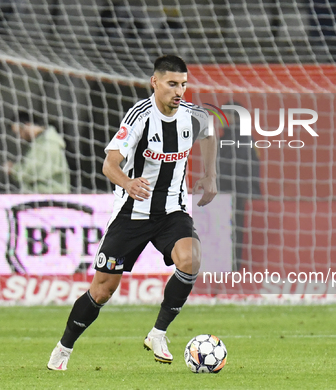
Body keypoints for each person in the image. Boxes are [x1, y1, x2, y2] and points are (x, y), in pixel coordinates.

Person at [47, 55, 217, 370]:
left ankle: (158, 332)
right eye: (172, 84)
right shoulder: (139, 116)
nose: (179, 91)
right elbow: (109, 165)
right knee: (102, 291)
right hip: (132, 214)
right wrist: (127, 182)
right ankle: (63, 348)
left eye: (183, 84)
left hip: (171, 211)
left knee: (191, 258)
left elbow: (209, 132)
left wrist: (210, 175)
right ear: (155, 82)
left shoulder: (194, 115)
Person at [217, 102, 261, 267]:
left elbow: (238, 169)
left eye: (225, 115)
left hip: (238, 197)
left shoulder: (239, 138)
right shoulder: (230, 137)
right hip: (234, 196)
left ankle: (236, 274)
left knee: (237, 238)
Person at [4, 111, 71, 194]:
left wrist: (13, 169)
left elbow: (32, 172)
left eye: (19, 133)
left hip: (50, 198)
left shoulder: (48, 143)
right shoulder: (40, 142)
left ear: (27, 125)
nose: (20, 137)